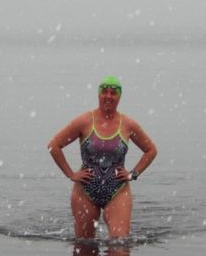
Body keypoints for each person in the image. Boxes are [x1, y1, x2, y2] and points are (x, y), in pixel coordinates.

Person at [47, 76, 157, 240]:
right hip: (85, 191)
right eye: (104, 92)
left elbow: (151, 150)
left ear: (119, 97)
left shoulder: (128, 124)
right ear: (98, 95)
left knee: (120, 245)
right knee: (84, 246)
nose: (108, 96)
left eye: (113, 93)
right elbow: (54, 145)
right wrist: (71, 174)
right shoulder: (84, 121)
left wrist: (133, 174)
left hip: (118, 190)